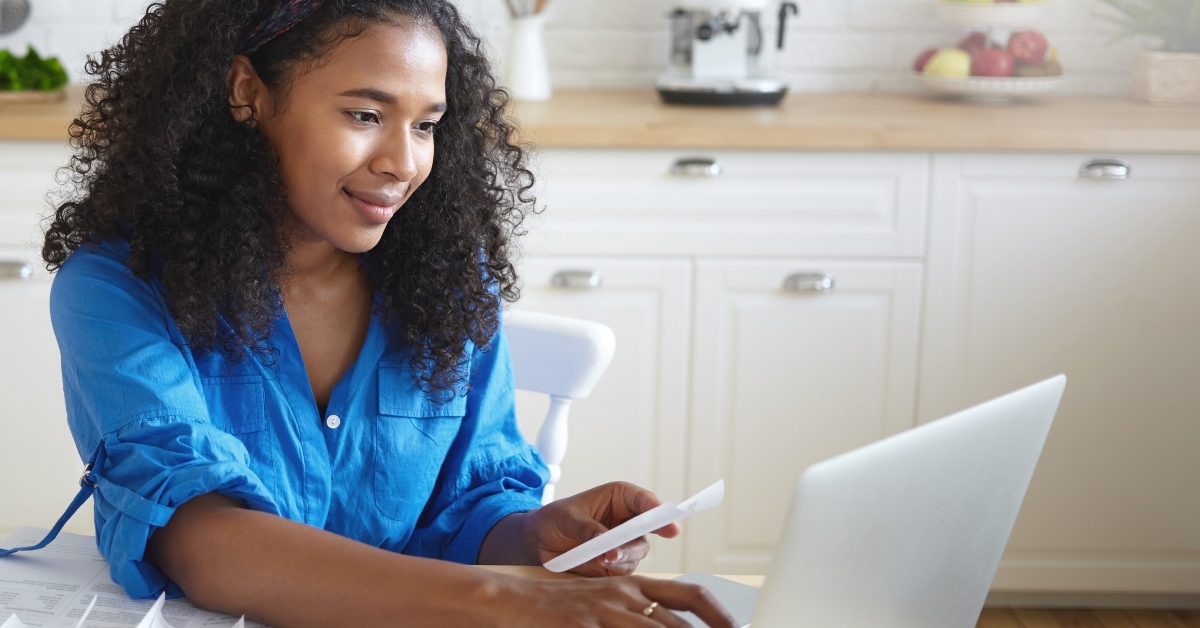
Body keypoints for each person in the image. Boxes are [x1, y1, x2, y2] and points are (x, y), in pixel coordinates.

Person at [33, 1, 738, 626]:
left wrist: (532, 537)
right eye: (365, 115)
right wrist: (510, 601)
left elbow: (467, 511)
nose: (403, 162)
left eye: (426, 124)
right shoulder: (117, 287)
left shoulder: (446, 284)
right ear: (247, 92)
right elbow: (206, 542)